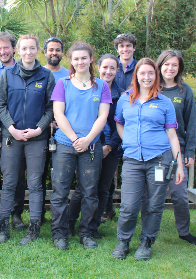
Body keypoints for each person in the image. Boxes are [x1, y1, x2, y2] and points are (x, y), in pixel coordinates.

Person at [112, 58, 185, 261]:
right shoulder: (125, 99)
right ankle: (123, 241)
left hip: (159, 160)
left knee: (154, 204)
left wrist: (179, 165)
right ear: (136, 75)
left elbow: (172, 135)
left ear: (156, 76)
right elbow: (119, 122)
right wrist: (127, 138)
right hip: (133, 160)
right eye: (142, 73)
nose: (146, 77)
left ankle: (146, 241)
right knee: (129, 205)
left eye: (150, 73)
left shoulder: (164, 102)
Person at [50, 42, 111, 250]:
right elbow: (58, 114)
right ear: (71, 61)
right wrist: (76, 139)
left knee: (89, 191)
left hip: (91, 146)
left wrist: (88, 140)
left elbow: (103, 116)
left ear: (91, 59)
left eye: (84, 58)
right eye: (76, 59)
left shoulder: (101, 86)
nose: (80, 62)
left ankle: (87, 232)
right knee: (60, 191)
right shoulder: (63, 84)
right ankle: (59, 233)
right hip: (65, 144)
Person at [0, 34, 55, 245]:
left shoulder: (47, 76)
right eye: (24, 48)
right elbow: (0, 105)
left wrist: (39, 130)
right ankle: (2, 227)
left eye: (32, 48)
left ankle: (34, 228)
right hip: (12, 137)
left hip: (37, 139)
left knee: (35, 184)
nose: (28, 52)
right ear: (18, 50)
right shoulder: (7, 74)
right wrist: (11, 128)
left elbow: (51, 108)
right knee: (10, 182)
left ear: (38, 50)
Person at [140, 50, 196, 245]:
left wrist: (189, 152)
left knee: (180, 195)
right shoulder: (150, 88)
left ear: (179, 68)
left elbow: (191, 124)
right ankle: (146, 230)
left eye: (174, 65)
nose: (170, 68)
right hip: (153, 151)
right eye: (166, 64)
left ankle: (184, 231)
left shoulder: (185, 91)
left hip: (177, 151)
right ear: (159, 66)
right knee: (150, 193)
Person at [68, 54, 124, 238]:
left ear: (117, 70)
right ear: (98, 67)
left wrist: (110, 146)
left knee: (103, 187)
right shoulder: (91, 87)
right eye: (105, 67)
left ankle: (94, 223)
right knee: (84, 187)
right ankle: (70, 221)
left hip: (112, 148)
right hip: (91, 144)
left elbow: (121, 125)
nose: (108, 71)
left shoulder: (122, 96)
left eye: (113, 68)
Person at [0, 32, 27, 231]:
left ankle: (16, 214)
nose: (2, 51)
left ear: (14, 48)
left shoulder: (23, 69)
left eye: (6, 47)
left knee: (17, 174)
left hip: (17, 129)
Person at [103, 33, 138, 223]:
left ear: (134, 48)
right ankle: (107, 208)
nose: (125, 49)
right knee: (109, 171)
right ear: (117, 49)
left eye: (128, 46)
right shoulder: (111, 66)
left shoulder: (139, 68)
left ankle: (129, 208)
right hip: (111, 118)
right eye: (121, 46)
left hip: (132, 121)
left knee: (130, 171)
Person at [41, 36, 69, 224]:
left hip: (64, 132)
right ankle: (39, 212)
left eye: (58, 50)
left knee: (60, 176)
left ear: (62, 53)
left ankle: (60, 215)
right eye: (51, 50)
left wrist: (60, 122)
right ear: (45, 53)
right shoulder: (39, 73)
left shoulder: (68, 75)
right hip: (41, 131)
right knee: (40, 174)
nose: (54, 53)